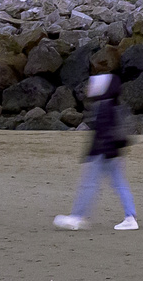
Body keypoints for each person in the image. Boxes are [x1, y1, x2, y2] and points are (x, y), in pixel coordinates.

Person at [55, 74, 137, 231]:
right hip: (114, 151)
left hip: (103, 152)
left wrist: (93, 153)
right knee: (119, 184)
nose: (90, 88)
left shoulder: (104, 105)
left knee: (89, 184)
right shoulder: (113, 103)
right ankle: (130, 217)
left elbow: (102, 132)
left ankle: (77, 217)